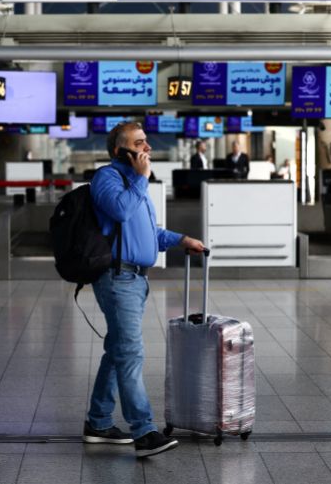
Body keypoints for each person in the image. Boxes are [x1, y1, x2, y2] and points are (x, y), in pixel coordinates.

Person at [84, 121, 205, 458]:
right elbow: (120, 210)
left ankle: (98, 422)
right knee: (131, 353)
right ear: (119, 150)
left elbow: (149, 232)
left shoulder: (135, 183)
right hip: (117, 278)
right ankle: (144, 431)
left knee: (118, 351)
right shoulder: (107, 178)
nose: (147, 148)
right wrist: (141, 178)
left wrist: (181, 239)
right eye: (139, 143)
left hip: (136, 279)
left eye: (146, 141)